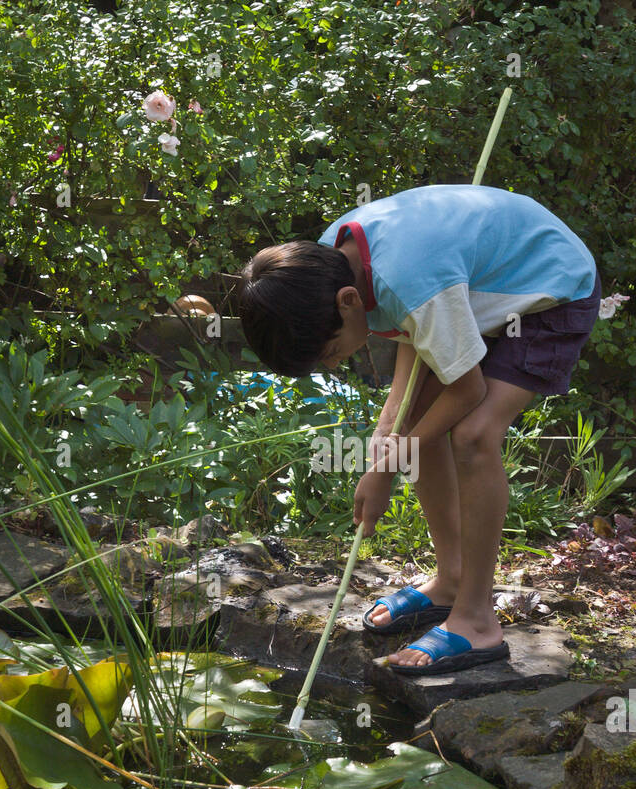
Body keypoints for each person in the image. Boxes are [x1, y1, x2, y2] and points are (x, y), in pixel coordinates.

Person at [238, 184, 600, 675]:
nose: (336, 363)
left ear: (348, 302)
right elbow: (415, 325)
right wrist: (392, 424)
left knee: (472, 435)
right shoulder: (325, 261)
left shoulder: (406, 277)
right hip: (466, 293)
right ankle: (450, 579)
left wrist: (386, 468)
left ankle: (476, 620)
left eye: (329, 352)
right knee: (413, 421)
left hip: (549, 290)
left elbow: (466, 389)